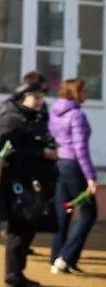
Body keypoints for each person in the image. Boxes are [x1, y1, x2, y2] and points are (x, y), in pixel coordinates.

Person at [0, 71, 59, 287]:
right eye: (37, 98)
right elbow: (10, 151)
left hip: (36, 181)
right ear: (25, 97)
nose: (41, 103)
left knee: (29, 230)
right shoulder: (12, 117)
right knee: (18, 231)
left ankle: (19, 273)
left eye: (42, 98)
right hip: (18, 183)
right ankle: (13, 276)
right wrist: (42, 153)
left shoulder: (35, 116)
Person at [48, 78, 97, 275]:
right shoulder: (77, 115)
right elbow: (80, 149)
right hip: (74, 167)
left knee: (63, 212)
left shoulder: (55, 112)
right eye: (84, 90)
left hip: (59, 164)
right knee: (89, 213)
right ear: (75, 93)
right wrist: (91, 177)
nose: (86, 94)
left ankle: (56, 259)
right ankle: (66, 257)